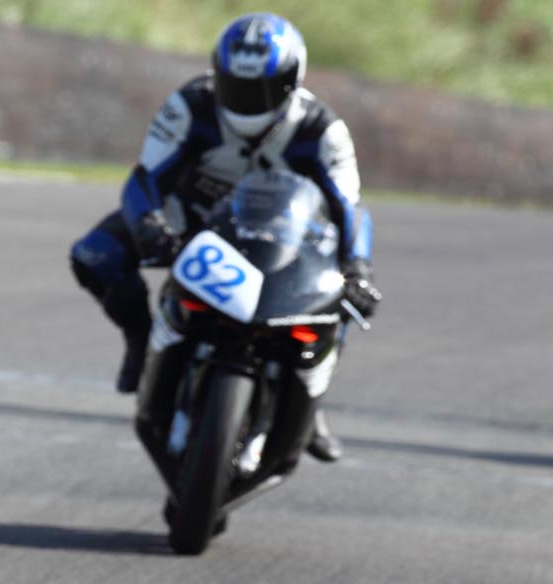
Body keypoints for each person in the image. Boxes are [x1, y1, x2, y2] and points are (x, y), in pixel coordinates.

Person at [69, 11, 381, 461]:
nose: (247, 101)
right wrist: (149, 225)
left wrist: (358, 267)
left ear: (291, 81)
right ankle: (141, 340)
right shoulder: (191, 104)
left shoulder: (321, 129)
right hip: (192, 220)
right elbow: (144, 179)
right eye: (236, 86)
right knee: (95, 255)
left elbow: (349, 207)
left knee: (341, 296)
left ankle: (310, 402)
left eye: (261, 90)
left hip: (285, 242)